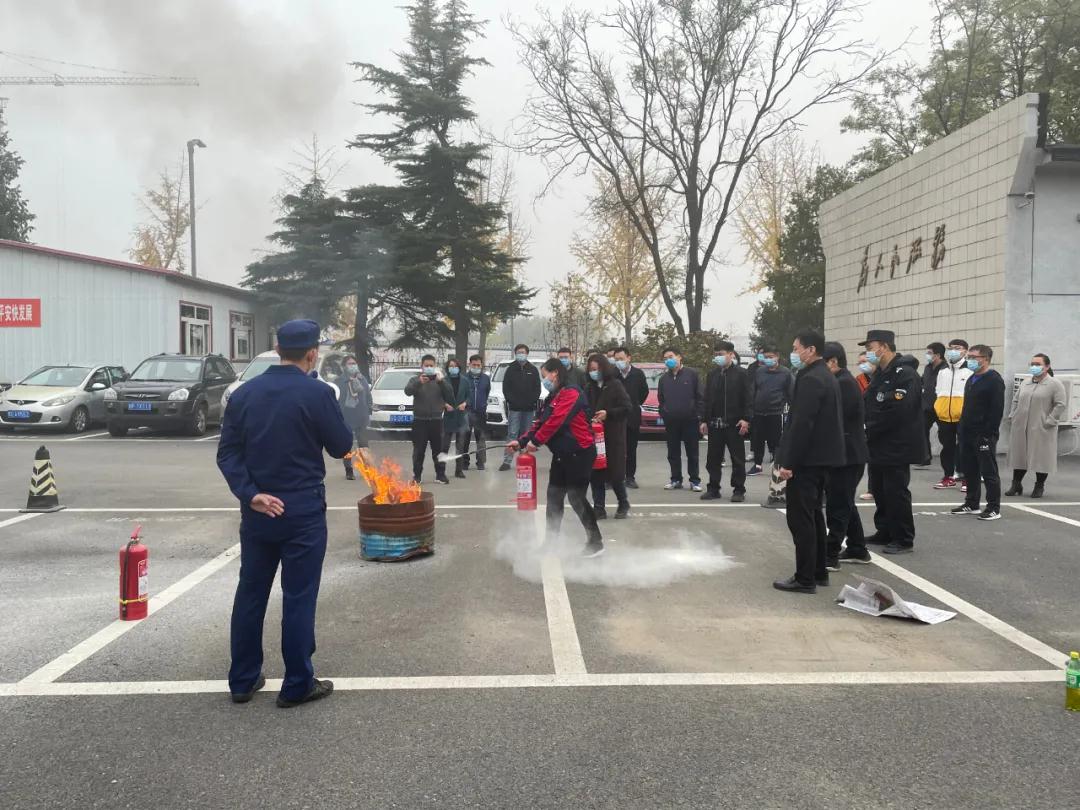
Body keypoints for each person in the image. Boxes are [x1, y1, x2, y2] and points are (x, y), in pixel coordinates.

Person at [217, 319, 354, 708]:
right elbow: (341, 445)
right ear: (312, 353)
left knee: (251, 592)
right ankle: (296, 684)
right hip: (302, 509)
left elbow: (227, 453)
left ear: (277, 350)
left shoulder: (244, 393)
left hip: (258, 509)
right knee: (298, 595)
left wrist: (251, 495)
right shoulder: (317, 393)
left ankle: (243, 680)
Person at [772, 330, 845, 593]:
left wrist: (788, 462)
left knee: (800, 519)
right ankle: (818, 571)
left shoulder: (812, 378)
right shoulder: (824, 375)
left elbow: (802, 424)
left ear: (811, 349)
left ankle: (805, 578)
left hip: (808, 460)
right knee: (813, 515)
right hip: (821, 458)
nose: (794, 353)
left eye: (796, 348)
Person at [509, 357, 604, 557]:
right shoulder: (552, 396)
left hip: (579, 453)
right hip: (561, 455)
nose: (544, 380)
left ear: (555, 373)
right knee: (554, 497)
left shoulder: (572, 393)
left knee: (576, 497)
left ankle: (596, 542)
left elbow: (557, 421)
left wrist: (536, 442)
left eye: (545, 376)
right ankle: (551, 542)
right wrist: (522, 441)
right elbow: (540, 423)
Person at [861, 329, 923, 554]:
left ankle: (903, 538)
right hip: (878, 442)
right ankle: (885, 530)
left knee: (896, 491)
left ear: (884, 347)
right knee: (879, 489)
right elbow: (870, 403)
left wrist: (870, 426)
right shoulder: (880, 373)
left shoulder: (905, 374)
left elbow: (899, 411)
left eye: (870, 348)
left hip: (897, 443)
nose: (868, 353)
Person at [821, 342, 870, 569]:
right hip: (843, 453)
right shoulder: (840, 381)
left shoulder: (843, 384)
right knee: (844, 501)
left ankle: (830, 555)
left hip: (847, 455)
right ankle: (857, 548)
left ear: (833, 362)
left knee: (838, 506)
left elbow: (834, 420)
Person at [950, 345, 1005, 520]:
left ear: (985, 359)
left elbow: (996, 410)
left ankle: (993, 507)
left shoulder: (994, 380)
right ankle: (972, 503)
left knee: (988, 472)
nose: (970, 360)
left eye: (974, 357)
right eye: (969, 357)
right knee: (970, 470)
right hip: (966, 433)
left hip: (983, 434)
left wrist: (987, 434)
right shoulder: (971, 378)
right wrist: (961, 429)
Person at [699, 340, 751, 502]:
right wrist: (704, 420)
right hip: (715, 423)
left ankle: (739, 490)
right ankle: (713, 488)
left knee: (737, 459)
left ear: (731, 354)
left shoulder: (741, 374)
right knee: (713, 459)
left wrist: (746, 419)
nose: (718, 357)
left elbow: (749, 398)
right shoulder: (712, 374)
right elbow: (707, 398)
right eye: (716, 355)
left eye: (721, 354)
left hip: (734, 423)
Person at [586, 353, 633, 519]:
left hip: (613, 436)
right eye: (591, 369)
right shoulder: (589, 387)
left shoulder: (615, 385)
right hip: (594, 437)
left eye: (596, 369)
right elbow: (584, 409)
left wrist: (608, 413)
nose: (594, 372)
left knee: (616, 474)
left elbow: (627, 407)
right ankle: (599, 507)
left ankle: (623, 503)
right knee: (596, 473)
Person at [657, 347, 703, 492]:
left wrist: (698, 415)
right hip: (671, 421)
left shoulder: (692, 374)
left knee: (692, 452)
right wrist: (664, 412)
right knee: (673, 452)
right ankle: (675, 479)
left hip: (690, 420)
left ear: (679, 357)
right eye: (665, 359)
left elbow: (700, 396)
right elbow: (661, 399)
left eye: (670, 357)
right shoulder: (664, 379)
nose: (668, 360)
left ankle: (694, 480)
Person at [405, 355, 454, 485]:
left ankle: (440, 475)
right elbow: (407, 391)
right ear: (421, 366)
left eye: (431, 365)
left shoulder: (440, 381)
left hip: (436, 421)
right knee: (418, 450)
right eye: (426, 365)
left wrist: (441, 382)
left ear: (435, 366)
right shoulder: (415, 379)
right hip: (419, 420)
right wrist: (419, 382)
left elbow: (450, 394)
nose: (429, 368)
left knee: (439, 450)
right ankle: (417, 476)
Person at [747, 347, 793, 476]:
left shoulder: (786, 373)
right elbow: (753, 391)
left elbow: (791, 394)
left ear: (777, 356)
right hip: (759, 412)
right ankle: (757, 465)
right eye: (766, 357)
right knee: (757, 440)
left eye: (771, 357)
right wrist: (750, 409)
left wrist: (792, 411)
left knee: (776, 441)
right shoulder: (759, 371)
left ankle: (777, 466)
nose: (768, 359)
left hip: (776, 413)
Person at [933, 338, 972, 490]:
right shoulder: (943, 371)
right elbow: (938, 391)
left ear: (965, 351)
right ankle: (948, 477)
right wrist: (938, 408)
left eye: (957, 348)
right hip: (944, 416)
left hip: (963, 416)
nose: (953, 351)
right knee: (947, 448)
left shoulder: (970, 371)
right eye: (951, 348)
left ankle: (967, 479)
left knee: (965, 448)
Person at [499, 344, 542, 472]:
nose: (521, 354)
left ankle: (524, 459)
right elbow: (506, 388)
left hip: (529, 408)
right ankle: (507, 461)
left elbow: (537, 388)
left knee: (526, 434)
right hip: (514, 408)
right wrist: (512, 401)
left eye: (523, 352)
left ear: (527, 353)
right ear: (515, 353)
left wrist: (532, 401)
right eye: (518, 352)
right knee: (512, 433)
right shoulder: (510, 369)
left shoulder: (533, 370)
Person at [613, 346, 648, 489]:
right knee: (615, 450)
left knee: (631, 449)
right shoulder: (613, 374)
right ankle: (615, 477)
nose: (619, 362)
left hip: (632, 417)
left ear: (629, 358)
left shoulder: (638, 374)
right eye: (616, 359)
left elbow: (644, 393)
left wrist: (633, 404)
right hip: (615, 417)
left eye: (621, 359)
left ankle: (630, 477)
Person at [334, 355, 371, 481]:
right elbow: (335, 398)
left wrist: (369, 409)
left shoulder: (362, 379)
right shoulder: (339, 381)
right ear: (344, 366)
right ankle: (349, 470)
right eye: (350, 364)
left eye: (354, 363)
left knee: (363, 444)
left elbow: (367, 395)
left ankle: (367, 469)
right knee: (347, 445)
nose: (353, 365)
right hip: (346, 416)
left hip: (361, 415)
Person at [441, 357, 473, 480]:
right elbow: (439, 396)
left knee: (460, 445)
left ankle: (459, 470)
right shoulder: (443, 381)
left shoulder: (465, 381)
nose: (453, 368)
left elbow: (469, 397)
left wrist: (465, 403)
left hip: (461, 416)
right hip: (449, 416)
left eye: (455, 366)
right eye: (451, 366)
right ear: (447, 368)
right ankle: (441, 471)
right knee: (445, 445)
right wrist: (445, 404)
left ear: (459, 368)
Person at [462, 355, 490, 472]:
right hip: (466, 412)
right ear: (469, 365)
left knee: (481, 438)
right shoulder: (464, 378)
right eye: (474, 365)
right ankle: (464, 462)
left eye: (478, 365)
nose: (476, 367)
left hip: (480, 412)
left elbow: (486, 392)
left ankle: (481, 462)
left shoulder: (486, 378)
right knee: (465, 438)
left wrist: (482, 404)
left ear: (481, 365)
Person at [920, 342, 947, 467]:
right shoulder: (927, 368)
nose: (927, 355)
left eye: (929, 353)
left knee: (945, 434)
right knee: (922, 430)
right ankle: (925, 457)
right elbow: (923, 382)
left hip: (941, 407)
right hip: (927, 406)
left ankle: (950, 459)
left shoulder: (946, 369)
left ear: (938, 355)